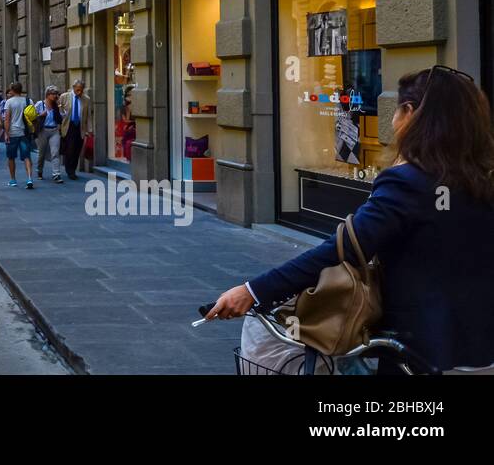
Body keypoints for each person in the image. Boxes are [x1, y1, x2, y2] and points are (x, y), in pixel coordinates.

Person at [207, 67, 494, 374]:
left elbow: (341, 249)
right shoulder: (482, 179)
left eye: (397, 109)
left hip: (419, 350)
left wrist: (253, 290)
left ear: (410, 113)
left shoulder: (408, 182)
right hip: (480, 345)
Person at [0, 82, 34, 189]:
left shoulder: (9, 102)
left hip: (13, 132)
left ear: (12, 90)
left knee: (11, 157)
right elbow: (33, 116)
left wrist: (6, 133)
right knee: (27, 156)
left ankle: (13, 179)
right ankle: (29, 178)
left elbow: (7, 120)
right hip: (24, 132)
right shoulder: (29, 101)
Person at [57, 79, 92, 181]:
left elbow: (88, 115)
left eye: (81, 90)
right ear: (73, 88)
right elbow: (59, 110)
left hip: (80, 127)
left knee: (77, 149)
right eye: (77, 90)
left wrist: (89, 129)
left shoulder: (86, 99)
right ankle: (70, 170)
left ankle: (73, 168)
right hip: (68, 126)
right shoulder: (64, 97)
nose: (79, 92)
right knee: (70, 149)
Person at [33, 86, 65, 184]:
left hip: (54, 130)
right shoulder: (40, 104)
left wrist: (62, 113)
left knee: (55, 153)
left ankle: (56, 174)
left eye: (56, 94)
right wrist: (40, 115)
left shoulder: (57, 106)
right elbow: (32, 117)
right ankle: (39, 170)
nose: (56, 96)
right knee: (41, 154)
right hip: (43, 131)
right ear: (48, 95)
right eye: (53, 94)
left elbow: (61, 117)